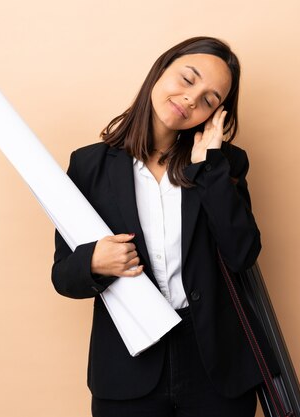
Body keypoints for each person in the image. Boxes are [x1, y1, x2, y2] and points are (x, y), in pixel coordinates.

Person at [51, 36, 263, 417]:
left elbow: (242, 253)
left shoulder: (225, 164)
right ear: (160, 71)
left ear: (217, 115)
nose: (191, 99)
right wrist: (94, 262)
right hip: (128, 368)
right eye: (187, 79)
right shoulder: (89, 166)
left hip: (215, 365)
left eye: (210, 99)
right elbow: (63, 276)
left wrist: (209, 167)